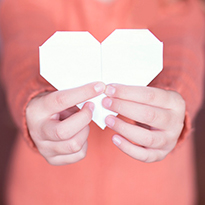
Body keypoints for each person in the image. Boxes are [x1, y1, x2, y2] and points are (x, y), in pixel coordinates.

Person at [0, 0, 204, 204]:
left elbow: (181, 30)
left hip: (156, 190)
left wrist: (175, 95)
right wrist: (33, 94)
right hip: (46, 190)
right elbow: (23, 27)